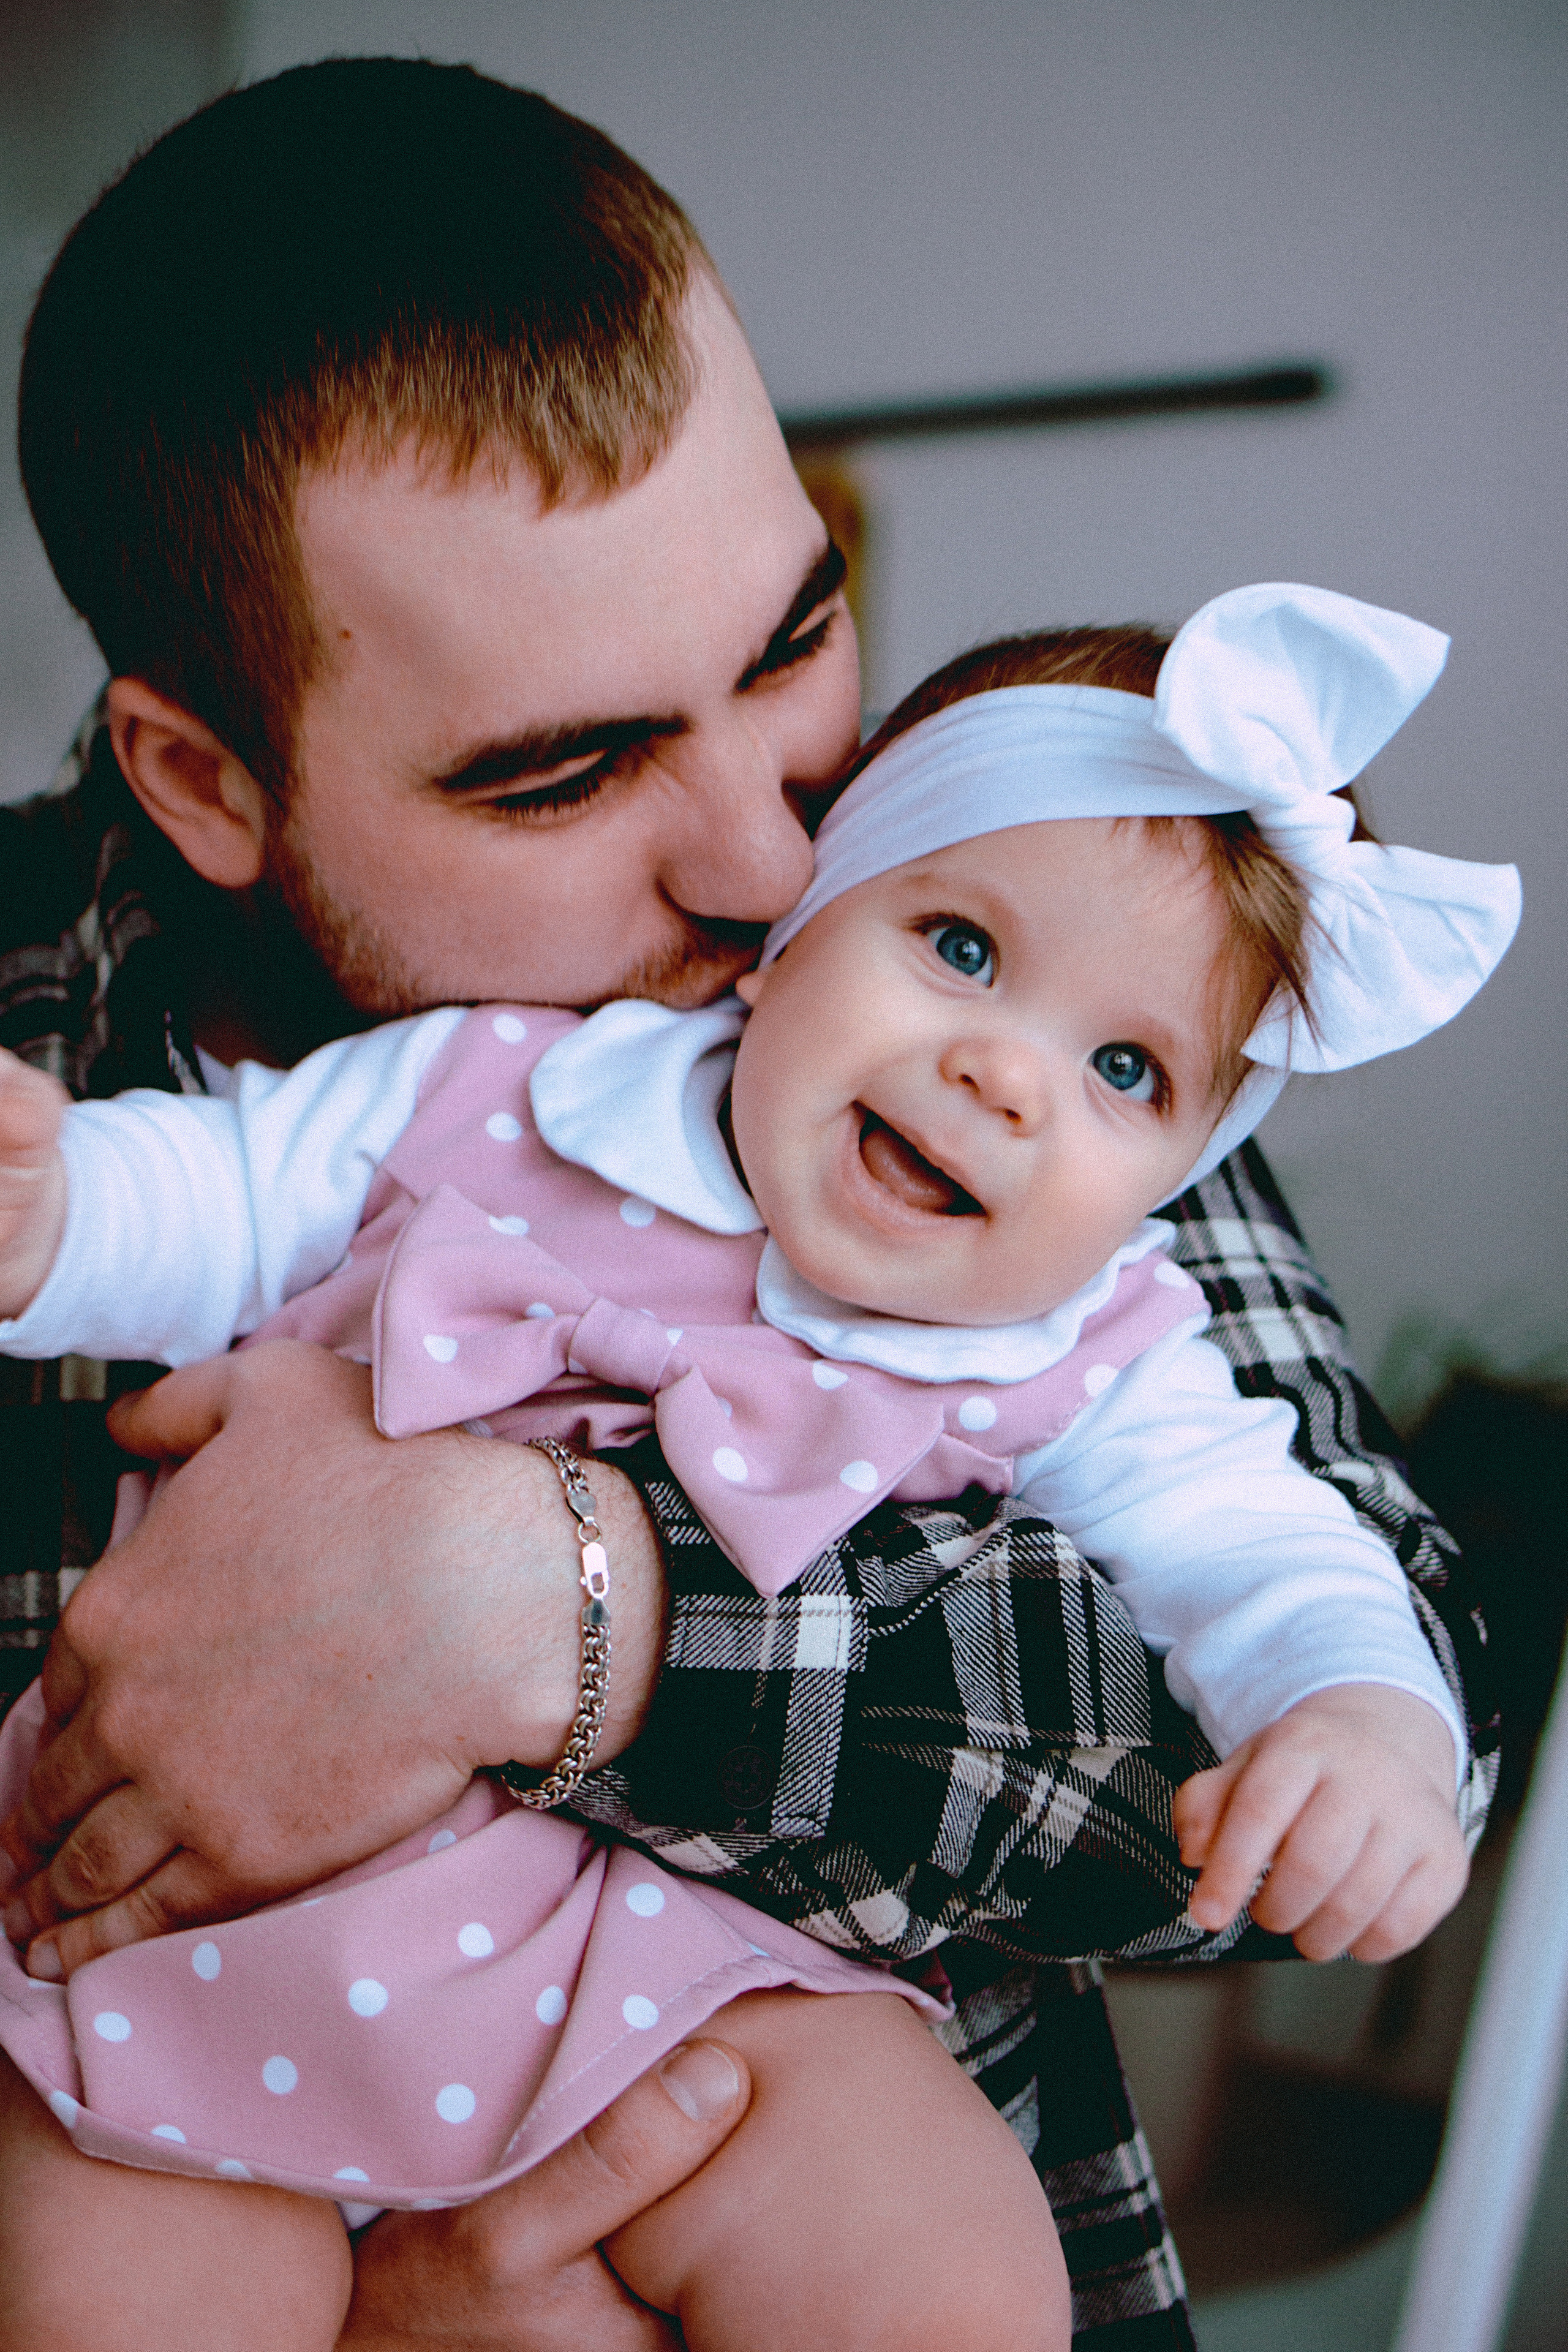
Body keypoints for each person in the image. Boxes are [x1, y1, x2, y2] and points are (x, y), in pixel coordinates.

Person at [0, 57, 1496, 2352]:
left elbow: (1360, 1690)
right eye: (566, 770)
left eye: (796, 642)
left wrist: (583, 1607)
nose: (782, 861)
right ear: (202, 776)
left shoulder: (1000, 976)